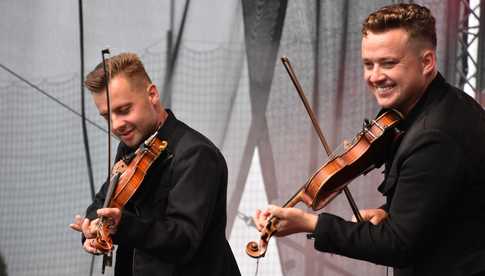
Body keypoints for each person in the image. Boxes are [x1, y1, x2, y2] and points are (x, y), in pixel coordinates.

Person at [254, 3, 485, 276]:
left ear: (427, 62)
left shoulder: (435, 137)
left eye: (389, 63)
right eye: (368, 64)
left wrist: (310, 224)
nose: (375, 77)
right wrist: (389, 210)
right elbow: (438, 198)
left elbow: (398, 244)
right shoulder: (441, 103)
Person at [69, 52, 240, 276]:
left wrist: (124, 225)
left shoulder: (196, 154)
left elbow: (183, 239)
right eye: (106, 116)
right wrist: (91, 227)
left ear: (152, 94)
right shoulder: (130, 148)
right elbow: (105, 199)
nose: (115, 125)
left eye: (123, 110)